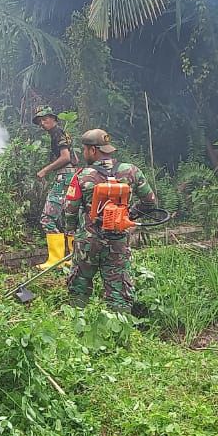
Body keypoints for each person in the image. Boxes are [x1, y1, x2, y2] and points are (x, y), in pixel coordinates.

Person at [63, 129, 158, 312]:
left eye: (85, 149)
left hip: (88, 242)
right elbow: (150, 202)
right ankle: (119, 330)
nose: (84, 153)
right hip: (118, 242)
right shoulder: (131, 171)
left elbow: (70, 211)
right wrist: (126, 216)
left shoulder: (81, 176)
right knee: (119, 288)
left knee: (80, 284)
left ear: (93, 150)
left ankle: (76, 324)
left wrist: (72, 232)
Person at [32, 105, 78, 270]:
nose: (42, 123)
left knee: (47, 217)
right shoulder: (60, 133)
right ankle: (73, 259)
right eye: (40, 121)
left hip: (65, 177)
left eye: (45, 119)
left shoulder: (57, 133)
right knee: (71, 218)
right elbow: (73, 157)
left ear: (53, 119)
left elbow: (65, 157)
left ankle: (55, 260)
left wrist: (45, 170)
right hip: (70, 177)